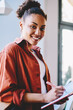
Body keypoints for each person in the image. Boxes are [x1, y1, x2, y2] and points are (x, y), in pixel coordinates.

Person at [0, 0, 67, 110]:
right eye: (33, 26)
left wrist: (54, 96)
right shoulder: (11, 50)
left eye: (42, 28)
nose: (38, 33)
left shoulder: (37, 54)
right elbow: (6, 94)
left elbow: (40, 88)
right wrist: (44, 97)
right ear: (21, 25)